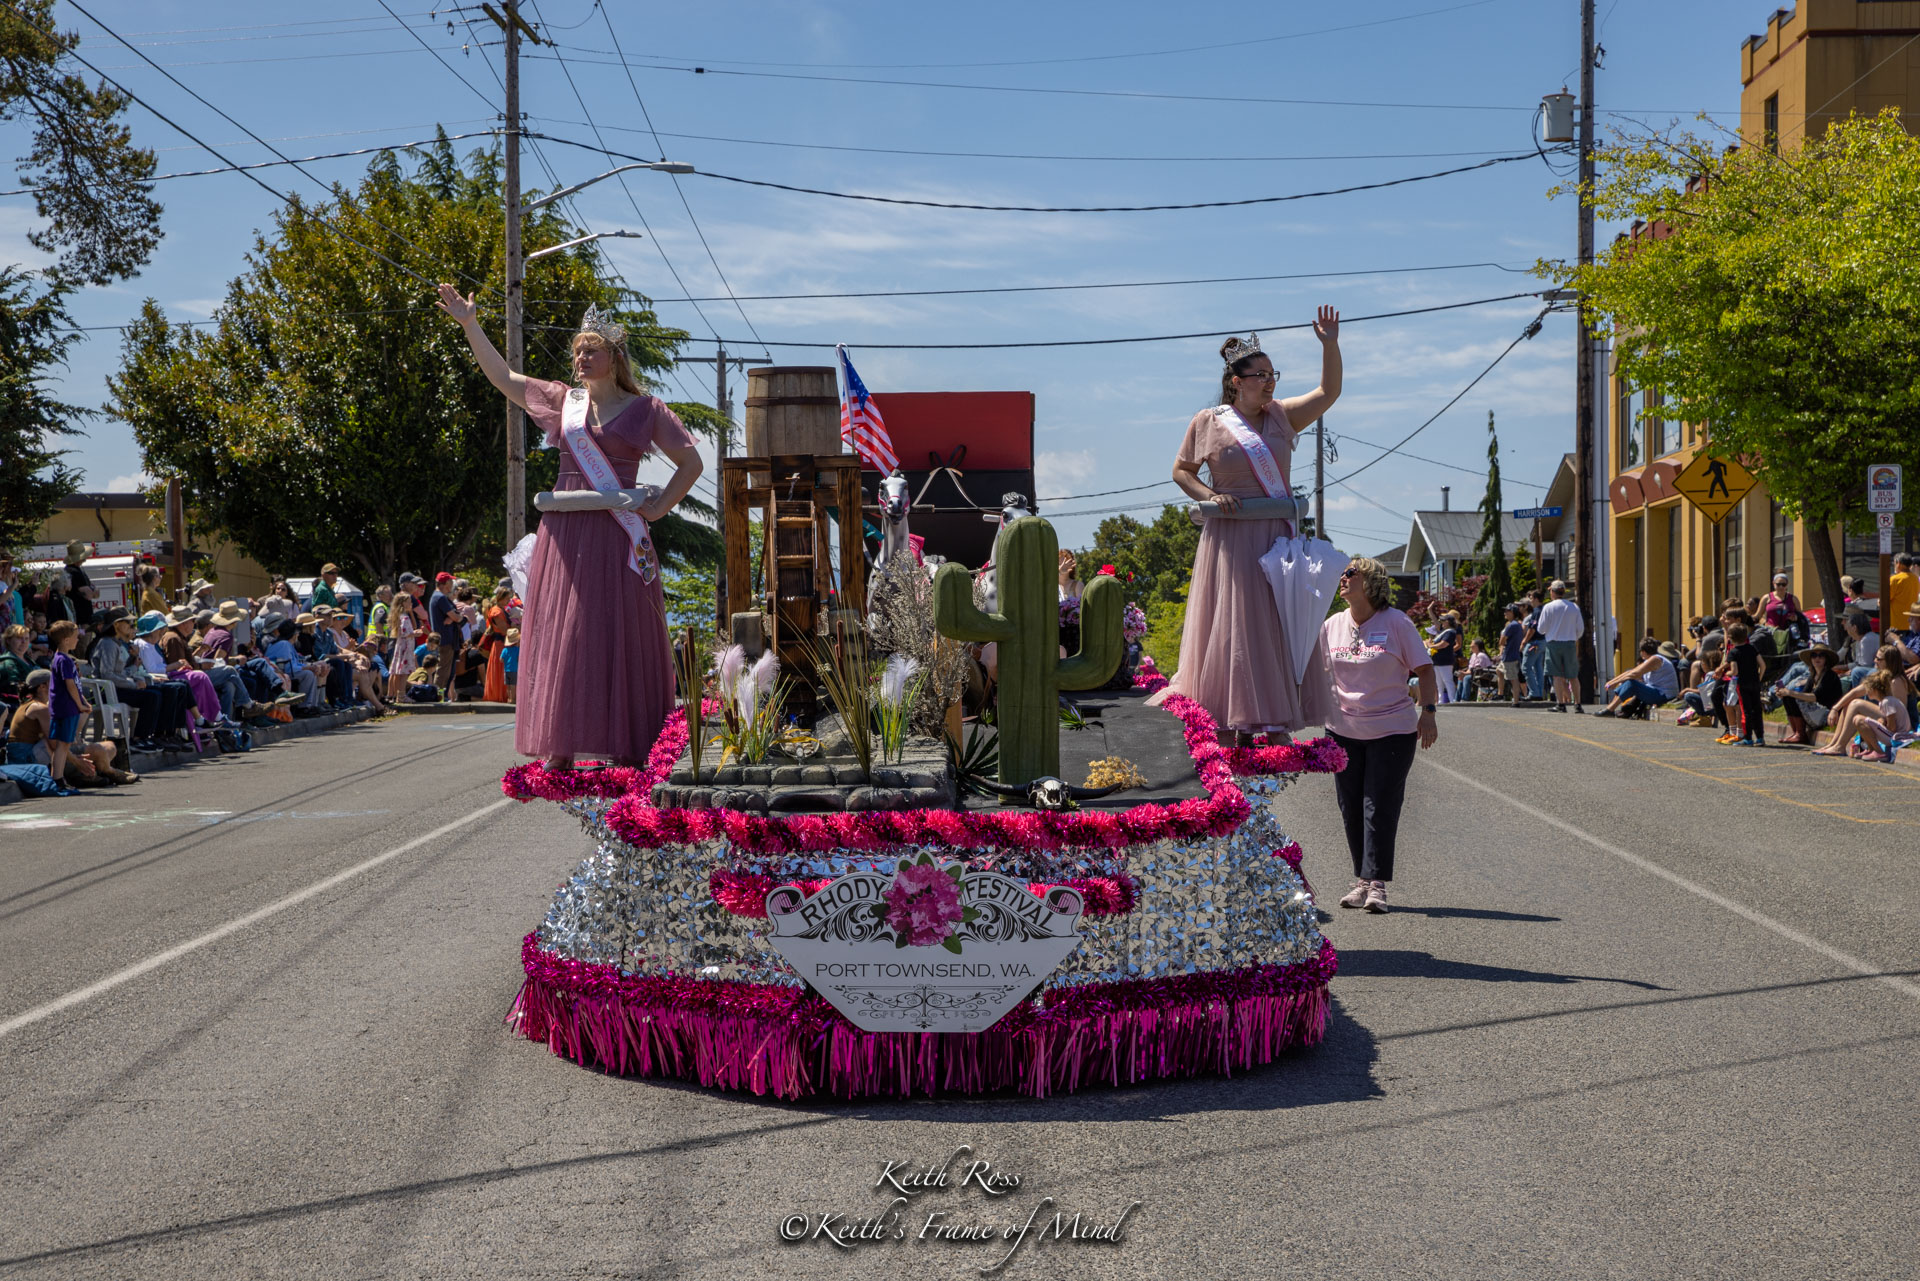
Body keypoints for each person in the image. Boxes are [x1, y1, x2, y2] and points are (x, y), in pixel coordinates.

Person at [438, 285, 704, 767]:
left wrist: (660, 507)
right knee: (565, 633)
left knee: (614, 631)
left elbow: (691, 463)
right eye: (578, 349)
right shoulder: (564, 402)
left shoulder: (647, 410)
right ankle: (560, 747)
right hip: (565, 535)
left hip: (617, 533)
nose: (581, 357)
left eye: (591, 350)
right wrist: (470, 325)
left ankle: (628, 745)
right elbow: (503, 377)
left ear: (615, 357)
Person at [1159, 312, 1343, 744]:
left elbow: (1329, 392)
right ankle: (1228, 726)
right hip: (1231, 537)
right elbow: (1181, 470)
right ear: (1236, 381)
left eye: (1272, 374)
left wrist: (1329, 344)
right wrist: (1208, 496)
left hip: (1278, 539)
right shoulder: (1208, 421)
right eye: (1260, 375)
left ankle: (1275, 725)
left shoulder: (1282, 416)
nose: (1269, 382)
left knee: (1278, 624)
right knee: (1234, 626)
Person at [1319, 556, 1438, 915]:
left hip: (1392, 730)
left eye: (1350, 572)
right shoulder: (1332, 625)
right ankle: (1361, 881)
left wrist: (1428, 714)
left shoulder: (1397, 623)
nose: (1343, 577)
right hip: (1342, 731)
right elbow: (1314, 673)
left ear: (1370, 582)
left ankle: (1377, 886)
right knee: (1351, 807)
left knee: (1379, 806)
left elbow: (1425, 670)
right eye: (1342, 572)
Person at [1812, 669, 1912, 759]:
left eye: (1868, 689)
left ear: (1875, 690)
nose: (1866, 692)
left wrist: (1878, 724)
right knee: (1858, 719)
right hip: (1894, 734)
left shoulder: (1887, 701)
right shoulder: (1885, 701)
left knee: (1860, 720)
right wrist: (1880, 722)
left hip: (1897, 736)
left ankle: (1878, 752)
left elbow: (1892, 727)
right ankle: (1868, 749)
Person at [44, 618, 88, 785]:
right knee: (63, 744)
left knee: (63, 745)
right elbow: (70, 685)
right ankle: (58, 779)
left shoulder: (60, 658)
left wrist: (83, 700)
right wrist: (79, 704)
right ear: (66, 640)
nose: (78, 640)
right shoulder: (65, 660)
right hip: (66, 707)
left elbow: (75, 686)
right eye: (76, 636)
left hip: (63, 706)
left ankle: (58, 777)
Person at [1779, 644, 1845, 745]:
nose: (1817, 658)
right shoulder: (1813, 675)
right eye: (1814, 655)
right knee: (1788, 697)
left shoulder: (1830, 676)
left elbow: (1815, 697)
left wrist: (1790, 692)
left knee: (1793, 696)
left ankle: (1801, 735)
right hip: (1815, 713)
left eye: (1821, 655)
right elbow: (1804, 694)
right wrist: (1784, 694)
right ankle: (1797, 732)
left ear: (1826, 659)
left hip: (1828, 715)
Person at [1597, 638, 1679, 717]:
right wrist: (1613, 681)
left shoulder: (1656, 659)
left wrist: (1615, 682)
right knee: (1627, 681)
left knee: (1631, 684)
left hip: (1664, 695)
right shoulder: (1650, 660)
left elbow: (1635, 674)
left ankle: (1610, 709)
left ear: (1643, 651)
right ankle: (1610, 707)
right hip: (1657, 692)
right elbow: (1630, 672)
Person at [1536, 580, 1585, 712]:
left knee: (1556, 675)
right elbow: (1580, 629)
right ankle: (1578, 704)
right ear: (1563, 592)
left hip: (1553, 643)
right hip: (1569, 642)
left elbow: (1541, 629)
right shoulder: (1574, 607)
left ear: (1552, 591)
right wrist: (1574, 637)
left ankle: (1561, 704)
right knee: (1573, 675)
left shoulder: (1548, 607)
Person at [1717, 621, 1766, 746]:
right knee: (1757, 710)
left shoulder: (1733, 652)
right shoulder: (1752, 648)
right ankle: (1760, 737)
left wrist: (1727, 674)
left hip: (1742, 684)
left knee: (1746, 711)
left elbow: (1734, 671)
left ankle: (1748, 738)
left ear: (1731, 638)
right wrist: (1759, 678)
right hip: (1755, 682)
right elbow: (1762, 665)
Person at [481, 581, 513, 703]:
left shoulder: (500, 609)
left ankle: (503, 694)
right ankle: (498, 695)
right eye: (507, 598)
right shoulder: (496, 611)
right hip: (500, 644)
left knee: (503, 670)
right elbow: (504, 630)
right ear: (502, 598)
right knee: (501, 670)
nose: (509, 601)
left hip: (502, 643)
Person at [1427, 612, 1461, 703]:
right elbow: (1435, 623)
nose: (1442, 622)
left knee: (1447, 681)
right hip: (1437, 661)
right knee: (1439, 683)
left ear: (1448, 622)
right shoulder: (1443, 631)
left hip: (1445, 661)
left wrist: (1431, 646)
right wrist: (1430, 610)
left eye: (1444, 621)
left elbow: (1443, 644)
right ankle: (1441, 701)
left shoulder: (1451, 632)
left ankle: (1452, 700)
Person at [1498, 603, 1526, 705]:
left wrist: (1504, 641)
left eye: (1507, 611)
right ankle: (1500, 694)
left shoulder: (1511, 625)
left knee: (1514, 679)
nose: (1505, 613)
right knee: (1499, 671)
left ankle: (1516, 701)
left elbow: (1501, 641)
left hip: (1510, 656)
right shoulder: (1518, 625)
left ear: (1513, 613)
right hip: (1513, 655)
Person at [501, 626, 520, 705]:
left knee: (508, 686)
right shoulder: (517, 649)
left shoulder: (504, 650)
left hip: (506, 669)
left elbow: (501, 659)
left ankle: (509, 698)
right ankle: (513, 699)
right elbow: (518, 659)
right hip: (514, 669)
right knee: (513, 685)